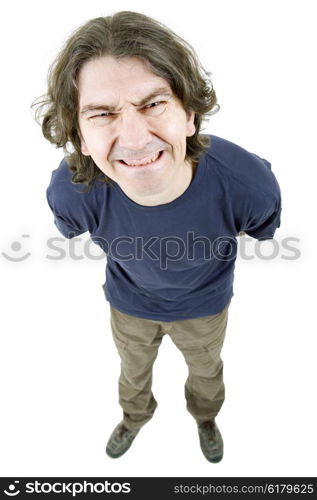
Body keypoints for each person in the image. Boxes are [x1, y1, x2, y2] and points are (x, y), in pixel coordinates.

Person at [32, 11, 281, 463]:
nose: (133, 137)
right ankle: (134, 419)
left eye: (153, 104)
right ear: (81, 138)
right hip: (129, 307)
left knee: (207, 375)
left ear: (189, 114)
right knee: (132, 374)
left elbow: (264, 232)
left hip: (205, 309)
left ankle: (206, 419)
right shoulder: (72, 191)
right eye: (103, 113)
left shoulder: (249, 183)